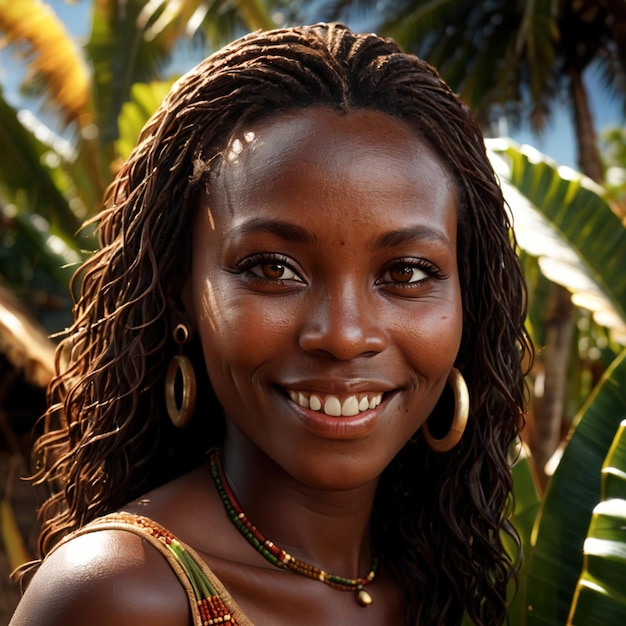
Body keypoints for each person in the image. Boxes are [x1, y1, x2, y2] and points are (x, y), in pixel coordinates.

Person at [9, 22, 532, 626]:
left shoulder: (442, 580)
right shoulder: (123, 595)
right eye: (272, 268)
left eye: (408, 272)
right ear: (181, 295)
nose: (343, 335)